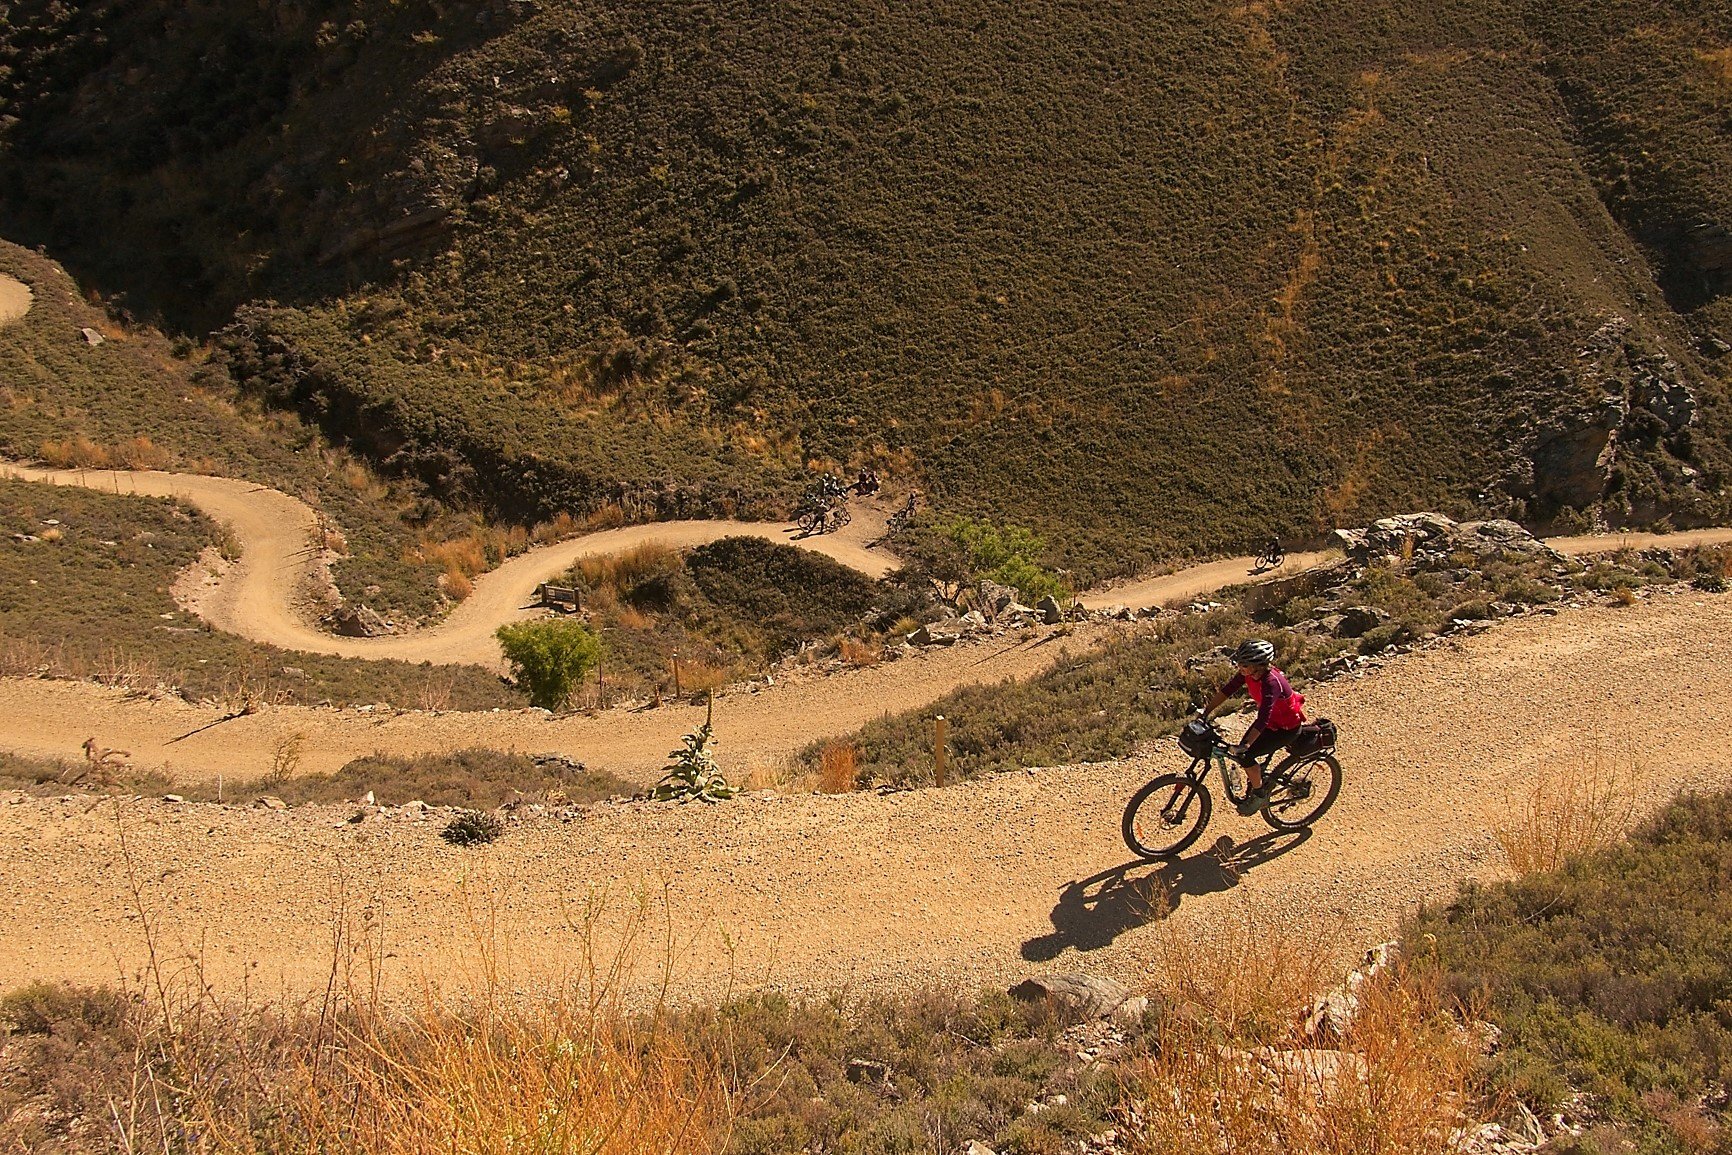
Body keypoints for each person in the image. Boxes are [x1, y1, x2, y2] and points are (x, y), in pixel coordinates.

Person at [1201, 638, 1306, 811]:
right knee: (1244, 754)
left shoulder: (1271, 682)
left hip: (1286, 729)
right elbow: (1228, 690)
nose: (1239, 668)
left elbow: (1263, 718)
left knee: (1246, 755)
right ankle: (1258, 776)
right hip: (1271, 724)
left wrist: (1246, 745)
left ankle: (1259, 795)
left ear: (1257, 665)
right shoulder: (1249, 674)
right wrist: (1206, 711)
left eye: (1244, 664)